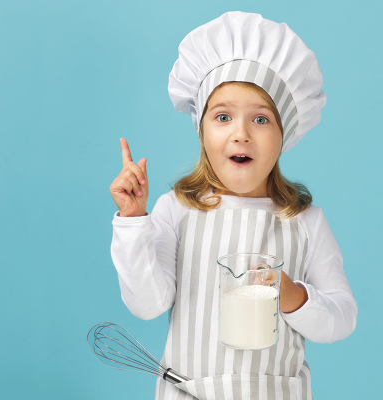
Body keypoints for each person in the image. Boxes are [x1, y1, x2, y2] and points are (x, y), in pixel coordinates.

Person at [109, 12, 357, 400]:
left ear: (284, 135)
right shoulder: (176, 210)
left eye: (260, 119)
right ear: (202, 129)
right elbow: (147, 304)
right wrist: (133, 220)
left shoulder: (305, 221)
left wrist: (290, 294)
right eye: (223, 116)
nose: (240, 133)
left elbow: (342, 319)